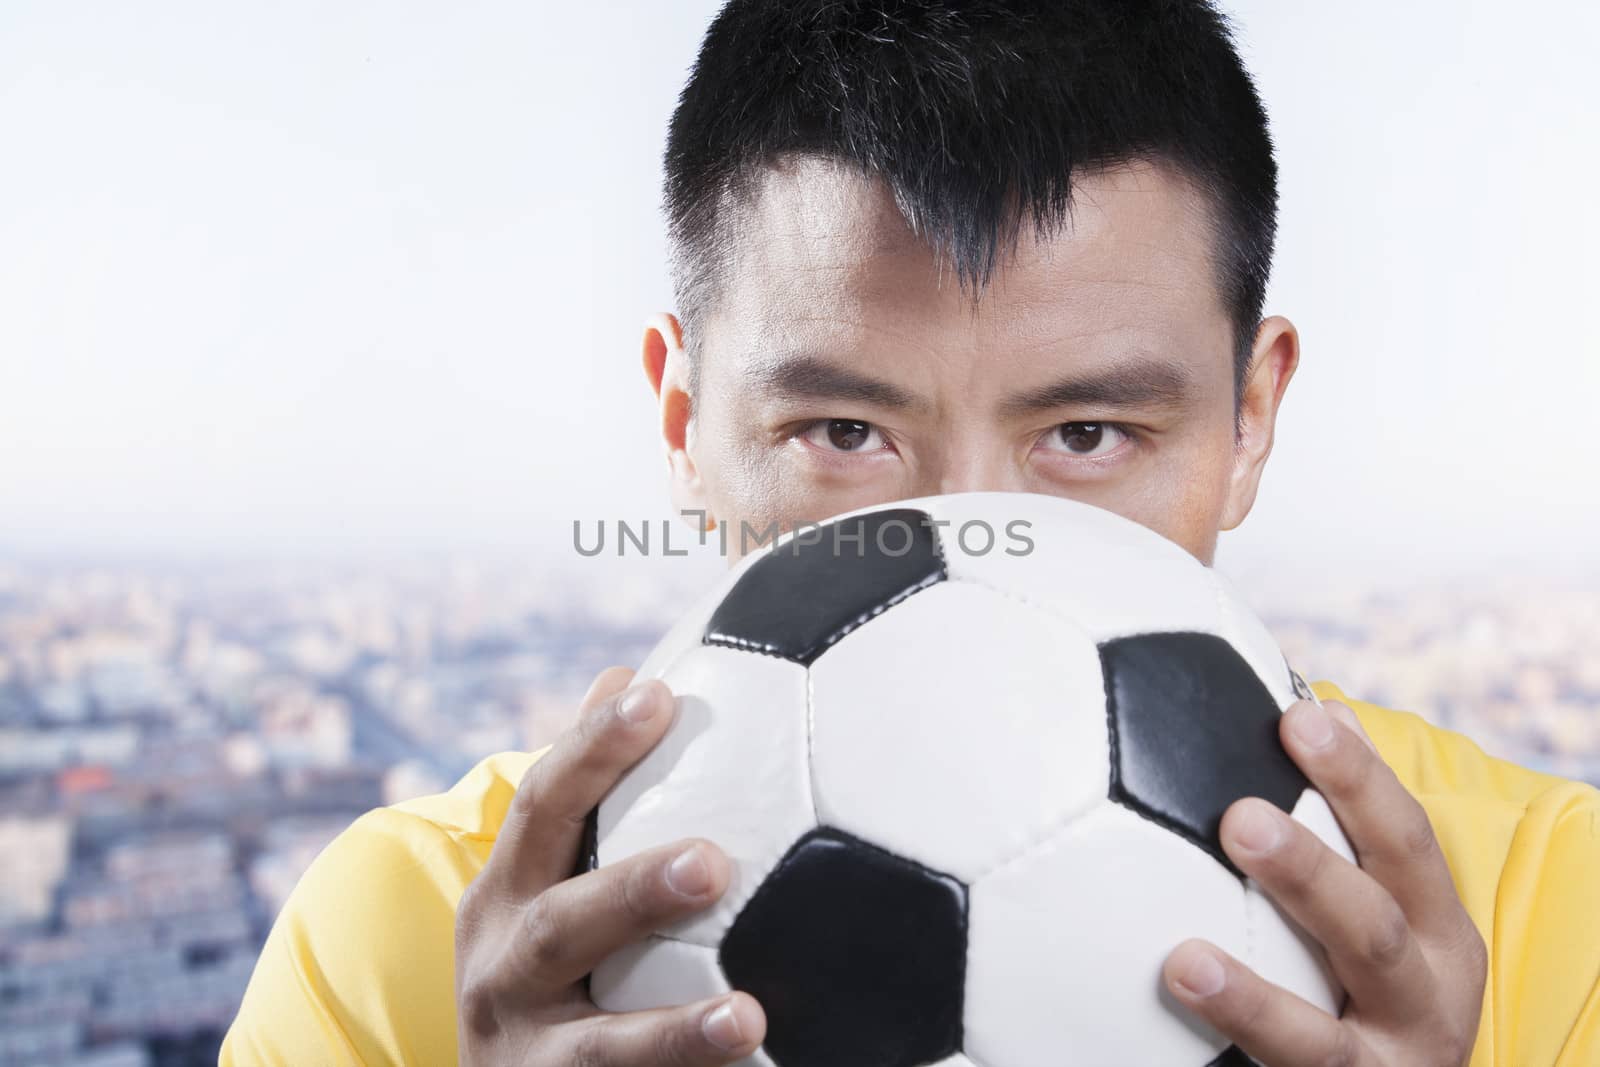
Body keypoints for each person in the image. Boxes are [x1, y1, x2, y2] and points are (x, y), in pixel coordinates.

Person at [220, 1, 1600, 1064]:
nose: (977, 547)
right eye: (845, 435)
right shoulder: (410, 939)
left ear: (1252, 417)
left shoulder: (1553, 909)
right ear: (682, 422)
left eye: (1086, 437)